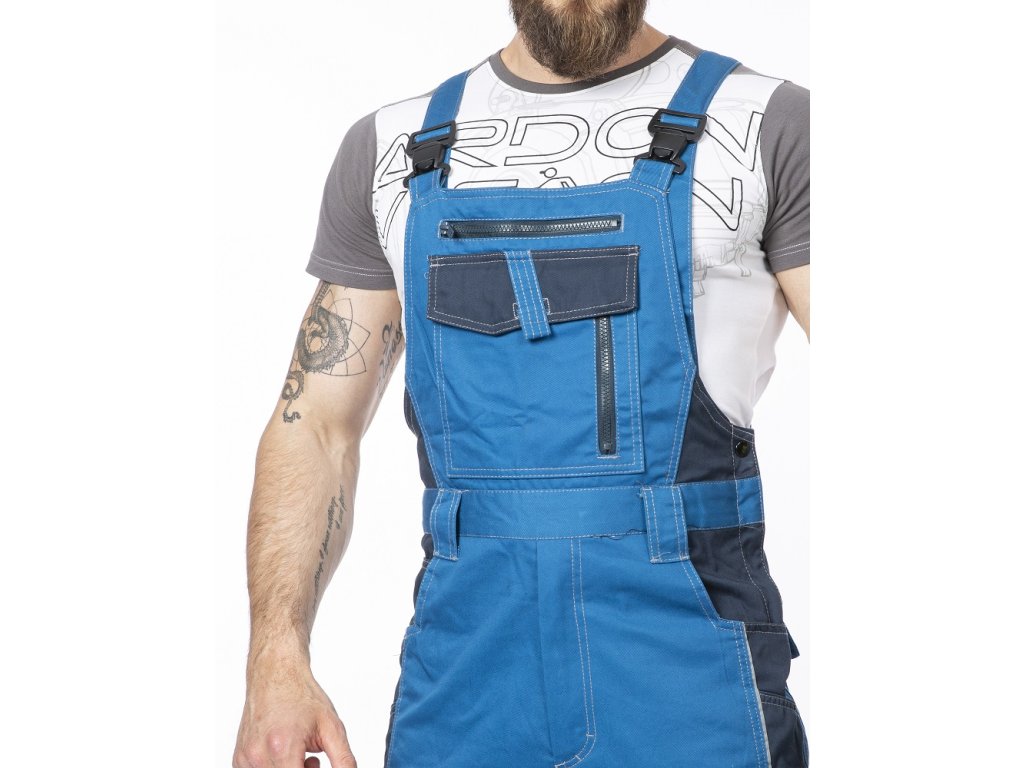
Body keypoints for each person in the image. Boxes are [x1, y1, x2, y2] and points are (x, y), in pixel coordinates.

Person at [233, 1, 810, 766]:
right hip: (466, 676)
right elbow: (315, 424)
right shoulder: (394, 147)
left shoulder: (769, 124)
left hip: (687, 666)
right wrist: (274, 659)